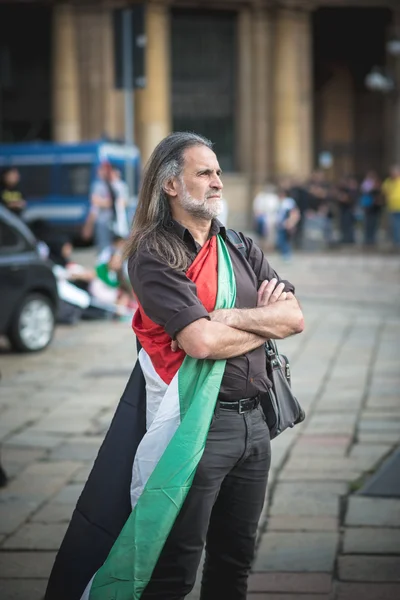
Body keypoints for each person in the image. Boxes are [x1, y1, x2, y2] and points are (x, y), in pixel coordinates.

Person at [45, 132, 304, 600]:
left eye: (219, 172)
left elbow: (294, 316)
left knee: (234, 565)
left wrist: (229, 317)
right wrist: (260, 322)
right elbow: (199, 341)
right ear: (170, 184)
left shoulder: (241, 246)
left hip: (256, 426)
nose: (217, 182)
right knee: (174, 572)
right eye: (204, 173)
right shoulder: (153, 254)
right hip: (196, 430)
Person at [83, 162, 116, 252]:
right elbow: (95, 203)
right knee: (103, 247)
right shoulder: (98, 185)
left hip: (109, 221)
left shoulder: (109, 184)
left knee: (110, 247)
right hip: (102, 221)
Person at [276, 186, 300, 261]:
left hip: (287, 223)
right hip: (280, 224)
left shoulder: (289, 202)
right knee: (281, 240)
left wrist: (291, 222)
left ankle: (287, 255)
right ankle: (283, 254)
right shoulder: (279, 201)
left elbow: (293, 212)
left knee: (286, 240)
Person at [359, 170, 383, 247]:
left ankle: (372, 239)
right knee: (368, 223)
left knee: (374, 224)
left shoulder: (377, 184)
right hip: (368, 207)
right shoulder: (366, 184)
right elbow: (365, 191)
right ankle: (367, 239)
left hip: (375, 208)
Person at [382, 165, 400, 249]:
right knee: (393, 225)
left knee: (397, 224)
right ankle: (395, 241)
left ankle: (397, 241)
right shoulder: (388, 182)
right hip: (392, 207)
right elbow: (384, 191)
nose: (393, 174)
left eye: (395, 172)